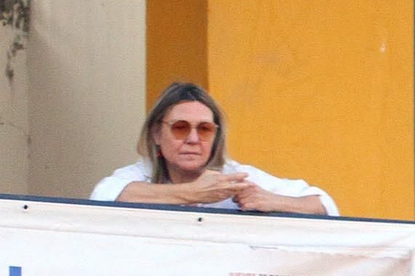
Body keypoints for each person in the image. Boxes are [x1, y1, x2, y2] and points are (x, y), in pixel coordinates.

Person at [89, 81, 337, 215]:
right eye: (180, 128)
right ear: (156, 134)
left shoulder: (233, 177)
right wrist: (194, 193)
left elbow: (325, 205)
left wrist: (272, 200)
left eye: (204, 129)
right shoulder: (140, 174)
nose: (193, 138)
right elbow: (104, 195)